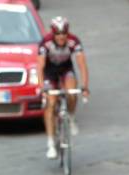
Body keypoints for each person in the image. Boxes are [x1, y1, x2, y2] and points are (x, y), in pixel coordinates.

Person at [37, 16, 89, 159]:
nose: (61, 37)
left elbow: (82, 65)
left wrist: (85, 86)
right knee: (51, 102)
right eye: (58, 34)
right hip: (50, 73)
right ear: (53, 34)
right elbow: (40, 67)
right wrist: (42, 88)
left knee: (72, 93)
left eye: (64, 34)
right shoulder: (45, 43)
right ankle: (50, 143)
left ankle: (71, 118)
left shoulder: (74, 41)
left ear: (67, 33)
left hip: (66, 70)